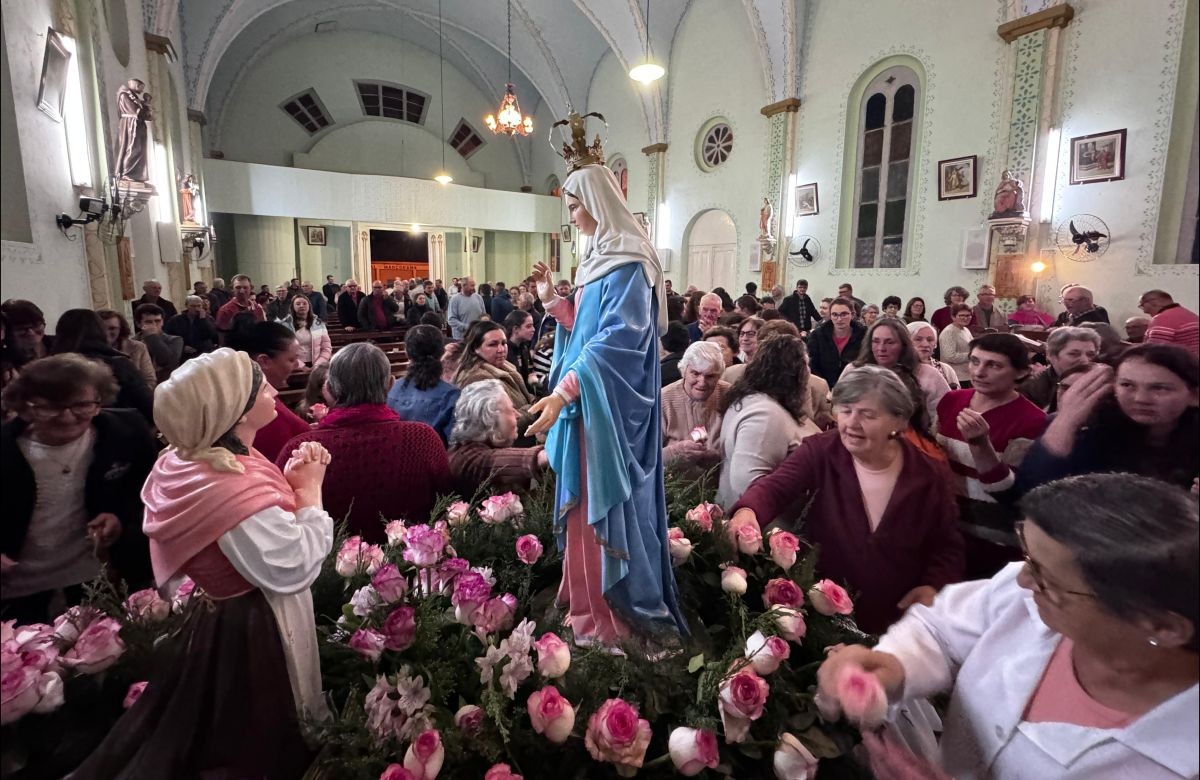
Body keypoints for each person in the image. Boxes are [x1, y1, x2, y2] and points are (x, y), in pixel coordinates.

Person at [818, 474, 1198, 780]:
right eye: (1028, 558)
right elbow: (941, 629)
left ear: (1163, 626)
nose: (1022, 582)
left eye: (1046, 577)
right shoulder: (1035, 598)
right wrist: (897, 665)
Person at [74, 348, 333, 778]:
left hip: (221, 609)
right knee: (259, 730)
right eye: (257, 386)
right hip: (255, 620)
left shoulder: (192, 461)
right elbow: (292, 565)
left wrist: (286, 485)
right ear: (230, 409)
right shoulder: (226, 485)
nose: (271, 388)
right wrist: (309, 493)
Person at [523, 159, 687, 648]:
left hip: (610, 410)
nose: (571, 216)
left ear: (596, 202)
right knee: (583, 510)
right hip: (587, 403)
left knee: (604, 504)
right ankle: (586, 602)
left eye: (574, 206)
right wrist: (553, 302)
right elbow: (586, 330)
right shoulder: (598, 259)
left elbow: (622, 339)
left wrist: (567, 388)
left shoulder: (630, 262)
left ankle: (615, 614)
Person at [728, 365, 964, 633]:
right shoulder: (822, 451)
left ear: (898, 422)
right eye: (846, 410)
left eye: (868, 414)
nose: (852, 423)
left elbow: (947, 545)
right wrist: (747, 511)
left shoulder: (928, 473)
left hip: (898, 622)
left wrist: (933, 586)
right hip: (824, 616)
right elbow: (774, 488)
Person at [0, 355, 157, 624]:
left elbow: (150, 492)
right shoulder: (6, 447)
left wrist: (119, 520)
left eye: (82, 405)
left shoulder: (125, 431)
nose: (68, 417)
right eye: (52, 407)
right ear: (26, 405)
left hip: (96, 576)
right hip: (16, 584)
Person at [278, 343, 450, 543]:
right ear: (390, 384)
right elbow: (448, 502)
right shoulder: (422, 438)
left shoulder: (300, 449)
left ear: (328, 389)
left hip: (328, 568)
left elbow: (281, 522)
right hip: (413, 566)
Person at [936, 333, 1048, 577]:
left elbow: (1009, 492)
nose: (979, 372)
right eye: (975, 361)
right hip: (944, 526)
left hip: (992, 539)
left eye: (994, 365)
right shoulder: (951, 401)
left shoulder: (1032, 420)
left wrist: (980, 446)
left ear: (1020, 373)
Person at [1019, 344, 1199, 492]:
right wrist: (1066, 421)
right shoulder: (1094, 425)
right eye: (1127, 385)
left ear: (1193, 396)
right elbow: (1035, 487)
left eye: (1160, 388)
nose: (1141, 398)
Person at [715, 334, 821, 506]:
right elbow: (749, 485)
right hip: (769, 527)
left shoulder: (761, 403)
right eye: (806, 364)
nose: (809, 371)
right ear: (793, 372)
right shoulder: (764, 415)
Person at [448, 379, 549, 498]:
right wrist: (546, 454)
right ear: (489, 419)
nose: (518, 415)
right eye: (511, 410)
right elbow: (490, 462)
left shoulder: (477, 447)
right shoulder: (465, 459)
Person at [51, 309, 154, 422]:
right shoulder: (119, 365)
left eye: (113, 328)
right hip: (117, 431)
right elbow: (149, 407)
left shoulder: (51, 368)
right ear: (99, 331)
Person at [855, 317, 951, 435]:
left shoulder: (928, 374)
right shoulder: (855, 371)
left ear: (904, 345)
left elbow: (944, 416)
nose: (881, 348)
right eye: (876, 341)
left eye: (890, 342)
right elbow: (839, 408)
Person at [231, 322, 310, 462]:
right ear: (264, 361)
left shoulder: (237, 391)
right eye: (291, 359)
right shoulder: (261, 406)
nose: (297, 364)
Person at [455, 321, 535, 435]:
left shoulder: (506, 368)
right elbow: (498, 426)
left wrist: (537, 401)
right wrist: (534, 410)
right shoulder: (478, 380)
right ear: (475, 348)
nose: (501, 349)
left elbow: (524, 397)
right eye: (493, 344)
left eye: (504, 343)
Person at [660, 341, 728, 469]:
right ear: (683, 371)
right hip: (675, 485)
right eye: (695, 373)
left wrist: (720, 454)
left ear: (719, 376)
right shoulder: (663, 400)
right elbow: (646, 457)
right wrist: (674, 452)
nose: (702, 382)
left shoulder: (729, 395)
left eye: (710, 376)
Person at [387, 325, 459, 445]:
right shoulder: (451, 395)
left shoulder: (393, 389)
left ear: (407, 353)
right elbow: (455, 444)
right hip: (436, 460)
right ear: (442, 352)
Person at [1017, 326, 1101, 411]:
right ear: (1051, 356)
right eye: (1074, 354)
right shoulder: (1030, 390)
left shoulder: (1102, 386)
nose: (1085, 361)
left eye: (1090, 355)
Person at [807, 297, 867, 388]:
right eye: (835, 315)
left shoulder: (864, 335)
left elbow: (866, 363)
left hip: (855, 388)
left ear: (852, 314)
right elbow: (812, 365)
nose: (839, 319)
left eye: (844, 314)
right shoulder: (817, 335)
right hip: (824, 388)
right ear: (830, 315)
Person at [98, 308, 156, 388]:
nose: (106, 332)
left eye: (112, 328)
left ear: (121, 329)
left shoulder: (137, 348)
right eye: (101, 328)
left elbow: (150, 381)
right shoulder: (85, 349)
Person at [133, 303, 184, 384]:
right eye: (149, 322)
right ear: (138, 324)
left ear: (162, 322)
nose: (154, 325)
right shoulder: (133, 342)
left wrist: (152, 337)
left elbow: (167, 361)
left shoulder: (174, 340)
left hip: (166, 385)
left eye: (157, 321)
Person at [1139, 289, 1199, 354]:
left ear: (1155, 302)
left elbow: (1155, 352)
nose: (1144, 311)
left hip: (1180, 362)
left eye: (1142, 305)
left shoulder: (1162, 318)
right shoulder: (1192, 316)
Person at [280, 293, 331, 368]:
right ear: (292, 307)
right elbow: (283, 350)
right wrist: (301, 366)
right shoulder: (285, 324)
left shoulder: (318, 323)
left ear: (309, 306)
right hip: (293, 366)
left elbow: (326, 347)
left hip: (317, 364)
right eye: (298, 304)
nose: (301, 306)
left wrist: (318, 364)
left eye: (304, 303)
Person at [907, 321, 960, 391]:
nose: (925, 344)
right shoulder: (898, 370)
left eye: (930, 340)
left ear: (935, 344)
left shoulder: (946, 370)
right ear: (906, 342)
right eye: (918, 339)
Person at [215, 275, 266, 340]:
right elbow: (222, 337)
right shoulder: (225, 310)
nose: (242, 291)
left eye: (245, 287)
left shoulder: (257, 308)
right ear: (232, 289)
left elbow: (262, 330)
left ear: (251, 288)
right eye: (238, 287)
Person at [1, 300, 51, 366]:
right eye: (21, 328)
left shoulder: (62, 346)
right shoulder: (4, 362)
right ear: (6, 332)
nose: (31, 332)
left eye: (36, 325)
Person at [938, 304, 975, 388]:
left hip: (966, 375)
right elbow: (950, 356)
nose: (965, 318)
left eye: (968, 315)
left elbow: (972, 347)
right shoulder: (949, 332)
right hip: (956, 377)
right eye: (961, 315)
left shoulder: (966, 330)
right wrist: (972, 355)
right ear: (953, 317)